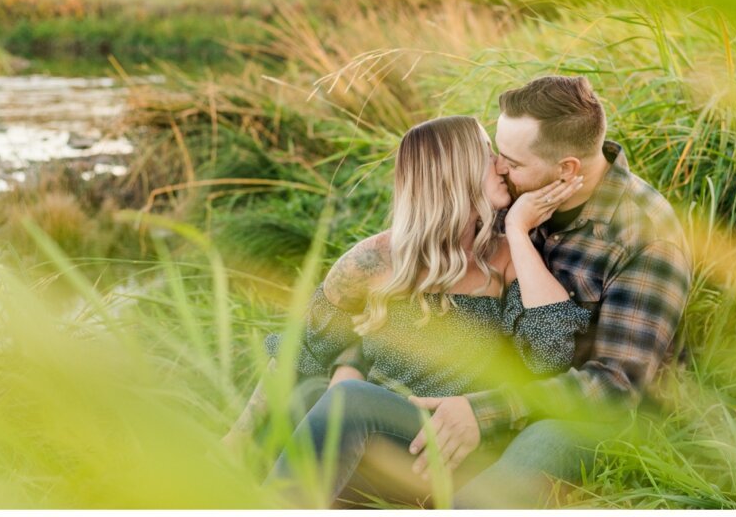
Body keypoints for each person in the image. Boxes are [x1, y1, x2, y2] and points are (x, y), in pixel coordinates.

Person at [252, 115, 594, 506]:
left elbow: (550, 358)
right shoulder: (373, 260)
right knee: (311, 395)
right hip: (381, 439)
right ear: (454, 174)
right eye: (486, 155)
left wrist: (517, 232)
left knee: (348, 399)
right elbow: (301, 349)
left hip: (454, 446)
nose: (501, 165)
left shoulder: (504, 259)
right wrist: (236, 436)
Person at [404, 75, 692, 508]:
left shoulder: (645, 236)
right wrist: (351, 357)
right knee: (332, 404)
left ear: (567, 169)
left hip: (589, 421)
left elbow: (614, 387)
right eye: (497, 154)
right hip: (498, 387)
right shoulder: (513, 196)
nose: (498, 169)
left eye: (512, 162)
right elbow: (411, 259)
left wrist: (485, 411)